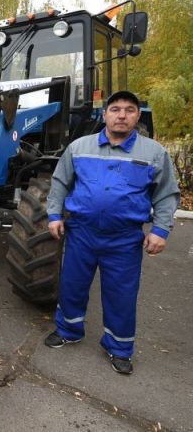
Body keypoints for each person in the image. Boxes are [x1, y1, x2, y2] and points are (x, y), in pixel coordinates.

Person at [45, 90, 180, 375]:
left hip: (124, 239)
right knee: (72, 284)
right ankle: (69, 330)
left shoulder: (153, 153)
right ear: (104, 114)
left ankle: (118, 347)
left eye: (129, 110)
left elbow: (166, 195)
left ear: (137, 116)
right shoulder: (79, 147)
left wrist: (160, 230)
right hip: (81, 232)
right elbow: (59, 183)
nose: (121, 115)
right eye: (115, 109)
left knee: (121, 294)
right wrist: (55, 215)